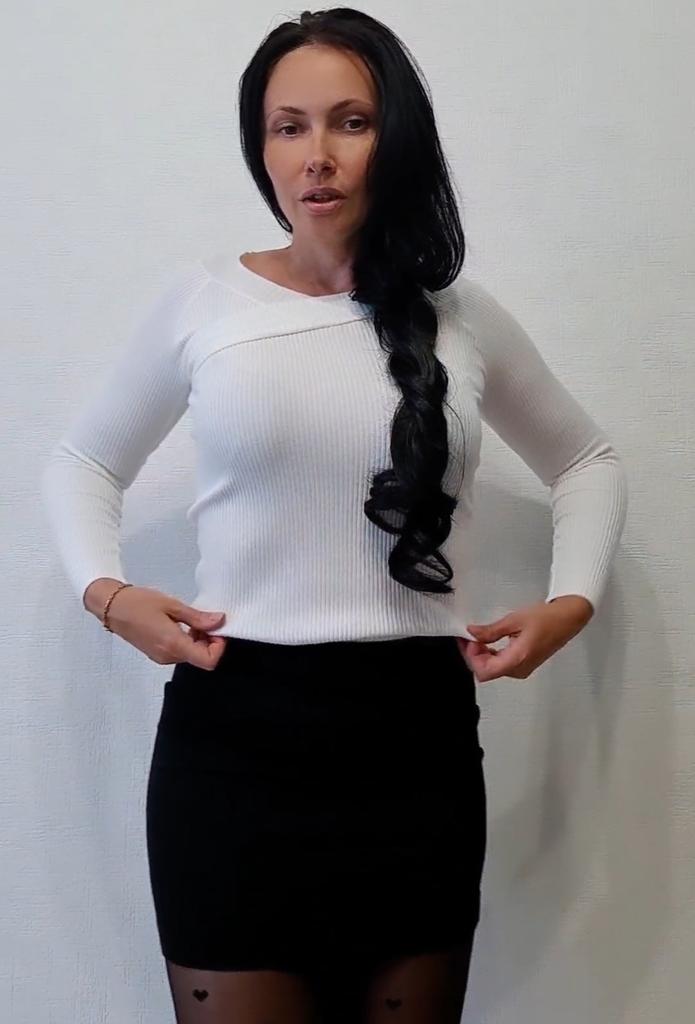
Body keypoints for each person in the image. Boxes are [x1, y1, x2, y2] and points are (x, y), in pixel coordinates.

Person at [40, 7, 628, 1022]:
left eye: (349, 122)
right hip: (232, 751)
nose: (316, 155)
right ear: (260, 147)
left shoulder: (459, 316)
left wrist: (569, 602)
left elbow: (586, 459)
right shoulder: (202, 305)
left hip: (416, 750)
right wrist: (108, 594)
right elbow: (83, 460)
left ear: (394, 136)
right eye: (288, 126)